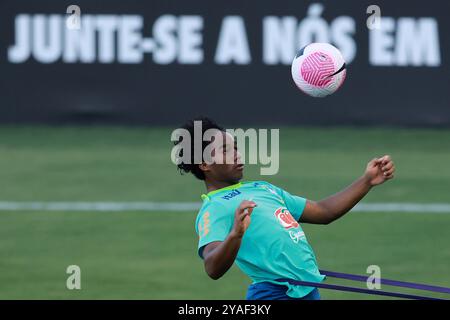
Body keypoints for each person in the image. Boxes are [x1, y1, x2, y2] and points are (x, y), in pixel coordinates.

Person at [174, 117, 395, 300]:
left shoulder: (263, 188)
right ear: (204, 164)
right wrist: (235, 234)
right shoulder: (215, 208)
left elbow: (324, 212)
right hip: (273, 294)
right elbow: (212, 267)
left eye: (235, 148)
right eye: (225, 150)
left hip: (306, 289)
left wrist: (367, 181)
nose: (237, 154)